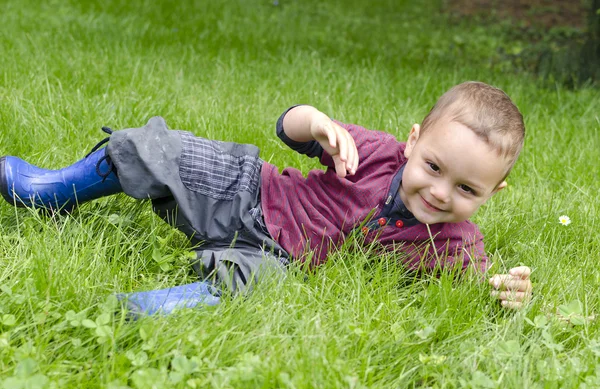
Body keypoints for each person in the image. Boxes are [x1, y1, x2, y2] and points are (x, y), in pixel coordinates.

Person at [0, 81, 532, 316]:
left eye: (466, 189)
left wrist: (507, 294)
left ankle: (145, 310)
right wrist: (318, 123)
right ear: (414, 142)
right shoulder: (372, 151)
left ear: (493, 192)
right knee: (161, 148)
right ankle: (52, 190)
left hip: (282, 258)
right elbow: (289, 126)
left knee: (259, 286)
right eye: (433, 168)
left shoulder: (457, 244)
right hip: (254, 194)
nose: (439, 193)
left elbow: (471, 292)